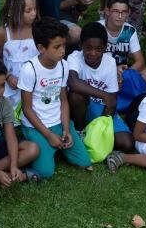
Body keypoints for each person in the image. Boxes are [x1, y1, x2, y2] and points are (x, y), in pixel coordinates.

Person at [19, 18, 92, 179]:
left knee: (84, 161)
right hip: (36, 126)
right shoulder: (29, 69)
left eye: (64, 45)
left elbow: (63, 100)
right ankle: (32, 146)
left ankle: (55, 147)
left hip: (58, 123)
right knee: (45, 172)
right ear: (41, 48)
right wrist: (48, 135)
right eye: (57, 47)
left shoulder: (63, 65)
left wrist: (66, 129)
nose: (62, 51)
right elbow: (27, 109)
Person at [67, 22, 132, 151]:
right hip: (82, 108)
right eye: (88, 48)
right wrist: (103, 95)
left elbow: (112, 101)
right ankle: (80, 131)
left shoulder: (110, 62)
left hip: (102, 109)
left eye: (98, 49)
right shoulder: (74, 57)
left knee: (127, 143)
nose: (93, 53)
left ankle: (92, 137)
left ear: (105, 47)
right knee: (76, 95)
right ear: (81, 46)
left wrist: (100, 129)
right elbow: (73, 82)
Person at [0, 0, 39, 110]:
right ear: (15, 12)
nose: (34, 13)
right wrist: (8, 77)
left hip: (34, 82)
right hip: (10, 82)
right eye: (28, 10)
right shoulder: (3, 32)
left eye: (35, 9)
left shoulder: (37, 30)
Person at [100, 0, 146, 85]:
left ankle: (119, 86)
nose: (120, 16)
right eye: (116, 11)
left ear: (129, 13)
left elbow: (140, 62)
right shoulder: (98, 28)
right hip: (101, 70)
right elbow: (90, 58)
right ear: (107, 11)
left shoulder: (129, 30)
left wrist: (124, 74)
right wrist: (113, 71)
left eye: (124, 12)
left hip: (123, 71)